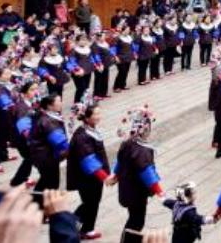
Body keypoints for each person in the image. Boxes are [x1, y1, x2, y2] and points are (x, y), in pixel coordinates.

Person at [109, 106, 164, 243]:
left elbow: (119, 161)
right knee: (137, 222)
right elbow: (148, 173)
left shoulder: (127, 143)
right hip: (137, 192)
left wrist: (115, 175)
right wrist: (160, 192)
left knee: (133, 217)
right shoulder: (142, 151)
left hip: (127, 188)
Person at [66, 95, 109, 240]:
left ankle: (84, 228)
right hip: (87, 178)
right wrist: (104, 176)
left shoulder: (89, 130)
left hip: (92, 177)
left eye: (99, 112)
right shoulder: (82, 136)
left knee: (91, 203)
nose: (99, 116)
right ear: (87, 117)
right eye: (95, 114)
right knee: (90, 203)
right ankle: (74, 226)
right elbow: (88, 160)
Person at [29, 92, 69, 206]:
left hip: (44, 155)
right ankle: (45, 209)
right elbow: (59, 141)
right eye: (58, 101)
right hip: (46, 157)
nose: (61, 103)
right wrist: (73, 150)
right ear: (50, 106)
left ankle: (35, 202)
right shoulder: (47, 121)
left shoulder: (48, 116)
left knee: (45, 180)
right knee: (52, 183)